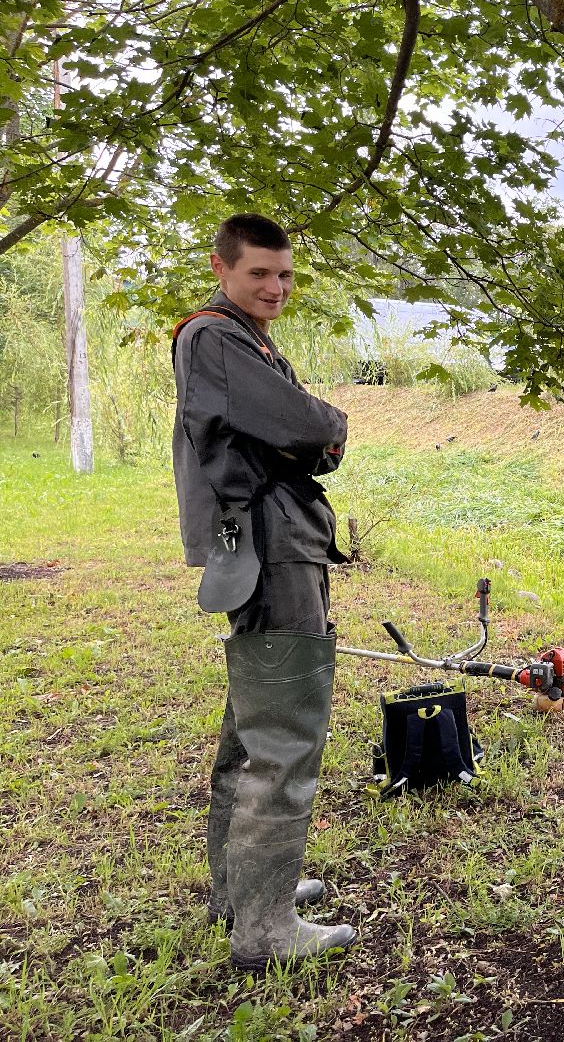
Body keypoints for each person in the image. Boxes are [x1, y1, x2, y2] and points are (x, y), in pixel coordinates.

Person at [171, 213, 356, 971]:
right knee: (283, 732)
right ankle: (266, 929)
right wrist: (332, 423)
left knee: (252, 725)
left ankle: (242, 893)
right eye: (258, 274)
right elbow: (305, 424)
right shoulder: (215, 337)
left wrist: (311, 437)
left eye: (284, 275)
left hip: (266, 539)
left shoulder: (243, 337)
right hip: (272, 544)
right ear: (222, 267)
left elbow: (300, 439)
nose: (275, 288)